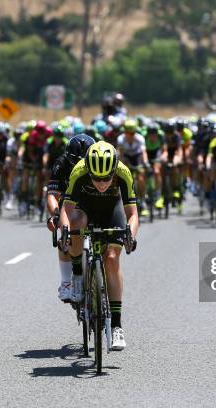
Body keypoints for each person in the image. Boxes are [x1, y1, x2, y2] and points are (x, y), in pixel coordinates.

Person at [59, 141, 139, 350]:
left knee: (112, 259)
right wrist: (65, 229)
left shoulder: (123, 172)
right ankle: (78, 274)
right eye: (96, 178)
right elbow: (66, 210)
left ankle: (116, 327)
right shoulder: (79, 171)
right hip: (85, 208)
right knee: (76, 224)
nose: (101, 183)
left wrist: (130, 233)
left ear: (114, 170)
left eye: (106, 179)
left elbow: (133, 214)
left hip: (112, 211)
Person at [46, 134, 96, 302]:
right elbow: (52, 195)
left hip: (91, 201)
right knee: (66, 239)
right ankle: (67, 282)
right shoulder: (61, 163)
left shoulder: (96, 163)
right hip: (69, 204)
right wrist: (55, 214)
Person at [117, 119, 150, 217]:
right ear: (125, 132)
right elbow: (121, 155)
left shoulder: (140, 138)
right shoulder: (120, 139)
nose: (131, 135)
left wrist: (146, 163)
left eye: (133, 133)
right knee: (124, 177)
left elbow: (144, 153)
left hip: (137, 157)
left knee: (141, 178)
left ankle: (143, 201)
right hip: (127, 158)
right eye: (128, 133)